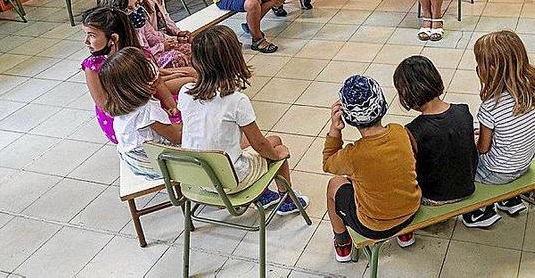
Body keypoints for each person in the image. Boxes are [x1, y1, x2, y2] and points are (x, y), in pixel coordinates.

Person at [178, 25, 308, 212]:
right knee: (276, 145)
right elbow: (260, 145)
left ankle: (264, 195)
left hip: (197, 177)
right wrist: (277, 155)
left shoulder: (185, 92)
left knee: (266, 142)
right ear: (233, 59)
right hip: (231, 180)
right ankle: (286, 201)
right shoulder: (236, 101)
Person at [323, 75, 421, 262]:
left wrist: (335, 129)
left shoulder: (353, 155)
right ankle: (405, 235)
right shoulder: (399, 131)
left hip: (373, 226)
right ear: (382, 104)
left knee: (334, 185)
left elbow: (328, 162)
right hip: (411, 211)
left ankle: (342, 242)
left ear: (348, 117)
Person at [463, 30, 535, 229]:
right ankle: (509, 199)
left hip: (496, 172)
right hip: (524, 163)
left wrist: (472, 142)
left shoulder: (490, 107)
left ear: (491, 69)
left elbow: (483, 148)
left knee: (461, 160)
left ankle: (480, 211)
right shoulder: (533, 91)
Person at [80, 7, 182, 144]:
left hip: (146, 101)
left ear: (113, 38)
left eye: (91, 35)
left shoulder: (139, 55)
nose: (86, 41)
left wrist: (171, 106)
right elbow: (104, 105)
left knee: (181, 103)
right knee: (171, 130)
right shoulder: (92, 66)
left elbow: (158, 84)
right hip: (120, 113)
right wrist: (140, 108)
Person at [395, 56, 477, 206]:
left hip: (434, 196)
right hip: (467, 188)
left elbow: (409, 168)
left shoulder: (413, 131)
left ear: (407, 93)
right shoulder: (463, 111)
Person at [99, 47, 183, 179]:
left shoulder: (123, 106)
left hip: (132, 160)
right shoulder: (147, 110)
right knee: (200, 144)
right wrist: (191, 122)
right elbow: (176, 137)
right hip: (151, 166)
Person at [99, 0, 192, 69]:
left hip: (153, 52)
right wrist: (161, 47)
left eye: (136, 5)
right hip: (144, 63)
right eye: (129, 9)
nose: (136, 11)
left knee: (188, 47)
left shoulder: (140, 23)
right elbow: (139, 56)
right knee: (177, 58)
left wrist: (175, 39)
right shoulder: (119, 37)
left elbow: (152, 35)